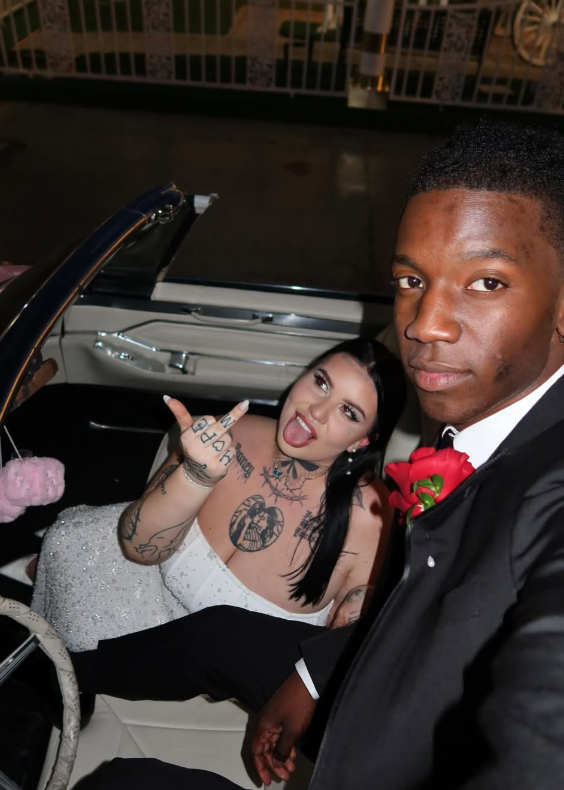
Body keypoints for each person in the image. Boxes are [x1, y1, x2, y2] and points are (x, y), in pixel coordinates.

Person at [71, 119, 564, 790]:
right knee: (193, 674)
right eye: (410, 280)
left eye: (486, 283)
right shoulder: (480, 417)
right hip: (373, 681)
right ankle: (64, 681)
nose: (424, 324)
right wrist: (313, 673)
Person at [31, 337, 405, 651]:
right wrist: (195, 476)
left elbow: (347, 650)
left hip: (213, 675)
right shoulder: (233, 434)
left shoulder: (373, 516)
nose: (316, 411)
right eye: (321, 382)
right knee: (64, 544)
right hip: (125, 594)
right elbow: (139, 547)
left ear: (362, 440)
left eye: (348, 412)